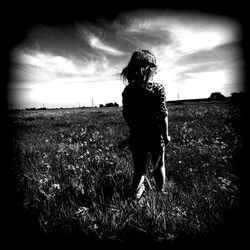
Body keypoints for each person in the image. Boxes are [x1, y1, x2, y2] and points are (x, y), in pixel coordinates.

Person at [121, 49, 171, 200]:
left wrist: (134, 129)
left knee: (139, 170)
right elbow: (163, 114)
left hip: (137, 136)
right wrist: (166, 135)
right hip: (156, 135)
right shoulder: (158, 88)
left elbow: (127, 115)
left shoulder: (128, 90)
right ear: (151, 68)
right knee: (159, 165)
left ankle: (136, 198)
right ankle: (160, 192)